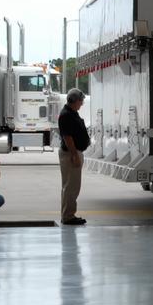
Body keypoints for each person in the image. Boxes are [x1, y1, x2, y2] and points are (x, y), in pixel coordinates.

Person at [58, 88, 90, 225]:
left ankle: (68, 214)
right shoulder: (66, 115)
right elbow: (68, 137)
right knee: (71, 186)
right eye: (81, 101)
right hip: (71, 153)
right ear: (75, 100)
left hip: (74, 152)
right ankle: (68, 216)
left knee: (71, 186)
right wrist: (74, 155)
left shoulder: (71, 113)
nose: (82, 103)